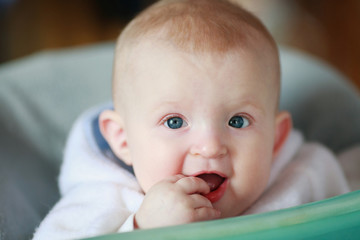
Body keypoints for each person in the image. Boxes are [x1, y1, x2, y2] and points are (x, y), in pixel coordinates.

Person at [33, 0, 349, 239]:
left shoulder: (308, 174)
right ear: (124, 140)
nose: (210, 148)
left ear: (275, 139)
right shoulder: (105, 201)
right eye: (174, 122)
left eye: (238, 121)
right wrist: (143, 227)